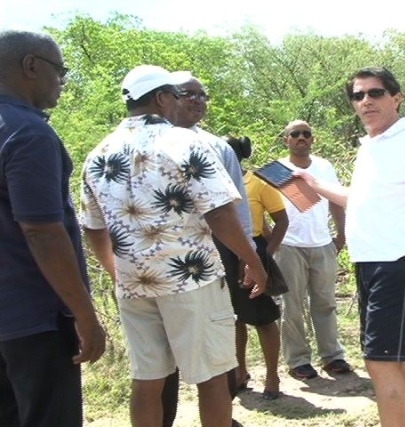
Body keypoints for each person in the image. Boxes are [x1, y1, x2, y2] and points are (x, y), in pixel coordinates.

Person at [80, 64, 266, 427]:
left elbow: (93, 228)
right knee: (212, 375)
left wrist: (116, 272)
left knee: (147, 377)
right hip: (190, 277)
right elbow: (219, 213)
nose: (179, 103)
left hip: (134, 284)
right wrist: (252, 260)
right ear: (162, 97)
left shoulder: (98, 154)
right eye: (176, 96)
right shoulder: (185, 141)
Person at [293, 67, 405, 427]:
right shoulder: (373, 144)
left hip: (398, 262)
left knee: (381, 362)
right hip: (373, 263)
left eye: (375, 93)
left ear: (396, 97)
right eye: (358, 95)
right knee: (397, 361)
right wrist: (313, 183)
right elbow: (359, 199)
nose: (366, 101)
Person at [0, 30, 106, 427]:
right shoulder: (28, 133)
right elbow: (42, 231)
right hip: (35, 318)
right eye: (59, 70)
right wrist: (85, 315)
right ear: (31, 66)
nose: (62, 80)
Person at [160, 72, 257, 427]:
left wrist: (249, 254)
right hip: (161, 260)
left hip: (217, 249)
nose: (198, 101)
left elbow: (237, 206)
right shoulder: (147, 144)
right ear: (166, 96)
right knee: (160, 351)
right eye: (189, 94)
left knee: (219, 333)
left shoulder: (218, 146)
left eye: (203, 95)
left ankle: (223, 413)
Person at [273, 119, 352, 380]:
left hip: (322, 244)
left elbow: (336, 201)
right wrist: (270, 240)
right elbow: (259, 205)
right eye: (295, 134)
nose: (301, 138)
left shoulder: (324, 167)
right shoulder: (276, 169)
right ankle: (298, 360)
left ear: (312, 139)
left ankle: (332, 356)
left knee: (326, 303)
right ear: (286, 139)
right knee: (292, 306)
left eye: (306, 134)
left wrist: (341, 234)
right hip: (289, 246)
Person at [225, 135, 288, 400]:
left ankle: (272, 376)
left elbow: (281, 222)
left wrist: (265, 256)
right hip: (223, 253)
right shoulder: (212, 183)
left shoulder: (257, 182)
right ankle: (240, 372)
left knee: (262, 316)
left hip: (253, 251)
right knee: (234, 318)